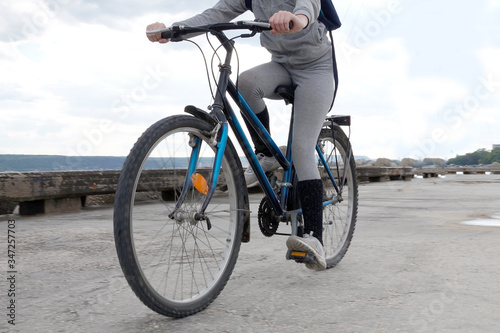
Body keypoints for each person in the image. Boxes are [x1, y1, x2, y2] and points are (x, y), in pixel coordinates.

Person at [147, 0, 334, 271]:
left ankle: (315, 238)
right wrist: (171, 30)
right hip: (281, 64)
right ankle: (267, 153)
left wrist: (297, 19)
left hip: (316, 68)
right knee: (246, 83)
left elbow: (308, 7)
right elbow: (214, 14)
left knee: (302, 147)